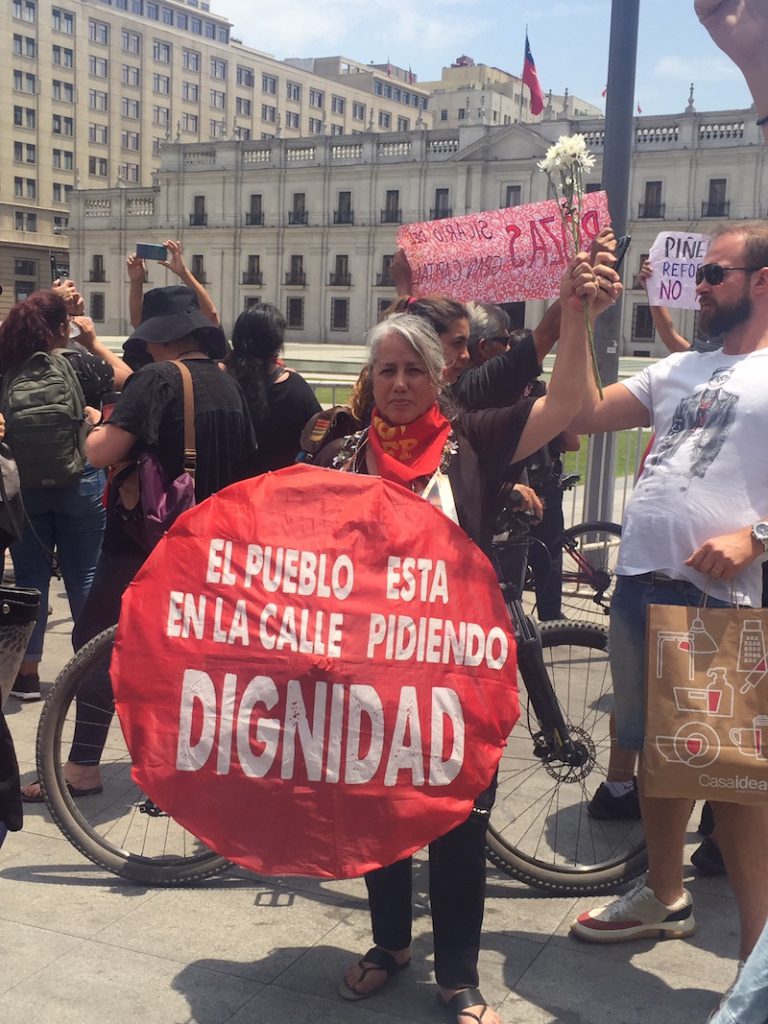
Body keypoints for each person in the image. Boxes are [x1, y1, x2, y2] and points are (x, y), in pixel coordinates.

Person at [320, 254, 614, 1024]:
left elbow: (574, 401)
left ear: (438, 378)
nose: (398, 383)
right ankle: (390, 946)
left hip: (457, 682)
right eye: (385, 369)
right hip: (368, 682)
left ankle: (457, 974)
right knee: (379, 820)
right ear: (371, 379)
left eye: (414, 368)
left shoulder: (476, 439)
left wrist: (575, 314)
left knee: (457, 827)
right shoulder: (341, 456)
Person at [568, 223, 768, 974]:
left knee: (733, 778)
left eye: (716, 273)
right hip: (641, 578)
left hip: (718, 596)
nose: (700, 286)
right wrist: (581, 315)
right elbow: (584, 411)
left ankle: (756, 957)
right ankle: (662, 891)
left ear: (761, 281)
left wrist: (758, 538)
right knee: (655, 752)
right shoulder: (681, 368)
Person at [20, 285, 254, 801]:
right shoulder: (226, 385)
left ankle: (83, 765)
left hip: (142, 542)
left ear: (164, 338)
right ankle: (184, 767)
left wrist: (91, 424)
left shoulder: (157, 379)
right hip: (209, 541)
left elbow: (101, 453)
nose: (145, 348)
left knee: (93, 644)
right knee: (184, 654)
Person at [0, 290, 131, 702]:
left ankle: (25, 673)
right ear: (63, 328)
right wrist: (91, 340)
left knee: (31, 578)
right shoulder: (82, 365)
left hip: (25, 487)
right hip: (80, 480)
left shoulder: (8, 367)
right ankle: (86, 670)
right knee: (85, 574)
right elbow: (130, 379)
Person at [226, 303, 320, 476]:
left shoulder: (221, 386)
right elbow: (321, 439)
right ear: (277, 345)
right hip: (279, 494)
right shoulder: (296, 388)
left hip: (227, 493)